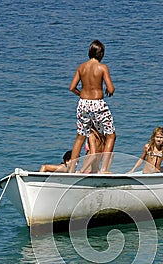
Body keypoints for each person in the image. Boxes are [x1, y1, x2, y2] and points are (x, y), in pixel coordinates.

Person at [68, 40, 116, 173]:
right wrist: (110, 91)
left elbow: (72, 87)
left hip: (83, 103)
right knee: (111, 135)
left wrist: (82, 95)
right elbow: (110, 88)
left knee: (80, 136)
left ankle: (71, 169)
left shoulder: (81, 67)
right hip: (97, 104)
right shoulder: (102, 67)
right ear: (101, 54)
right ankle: (104, 168)